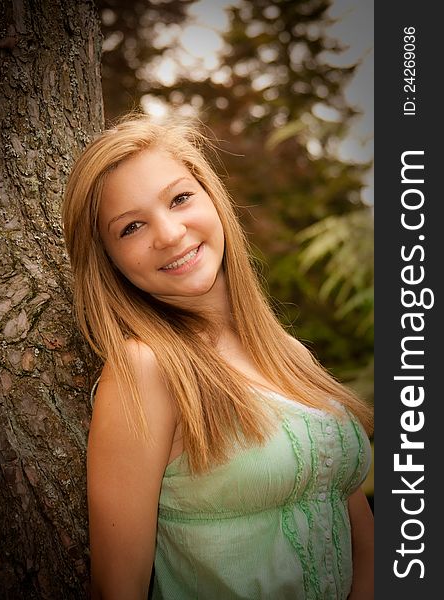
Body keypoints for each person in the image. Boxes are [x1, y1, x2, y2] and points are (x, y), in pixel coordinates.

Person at [62, 113, 374, 600]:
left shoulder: (290, 354)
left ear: (213, 198)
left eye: (180, 198)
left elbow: (359, 536)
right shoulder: (146, 371)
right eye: (131, 227)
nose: (168, 233)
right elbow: (117, 590)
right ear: (109, 260)